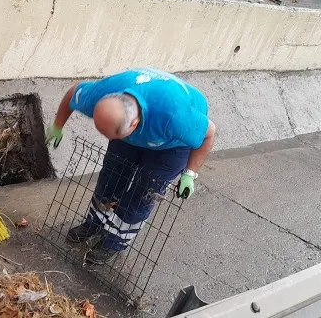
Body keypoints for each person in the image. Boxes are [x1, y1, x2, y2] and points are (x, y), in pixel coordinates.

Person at [44, 68, 216, 264]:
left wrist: (190, 173)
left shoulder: (175, 118)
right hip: (136, 127)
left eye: (110, 135)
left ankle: (114, 241)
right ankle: (95, 223)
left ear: (134, 125)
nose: (106, 139)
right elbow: (73, 92)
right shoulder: (101, 93)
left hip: (172, 144)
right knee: (111, 175)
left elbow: (209, 134)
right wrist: (58, 125)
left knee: (144, 190)